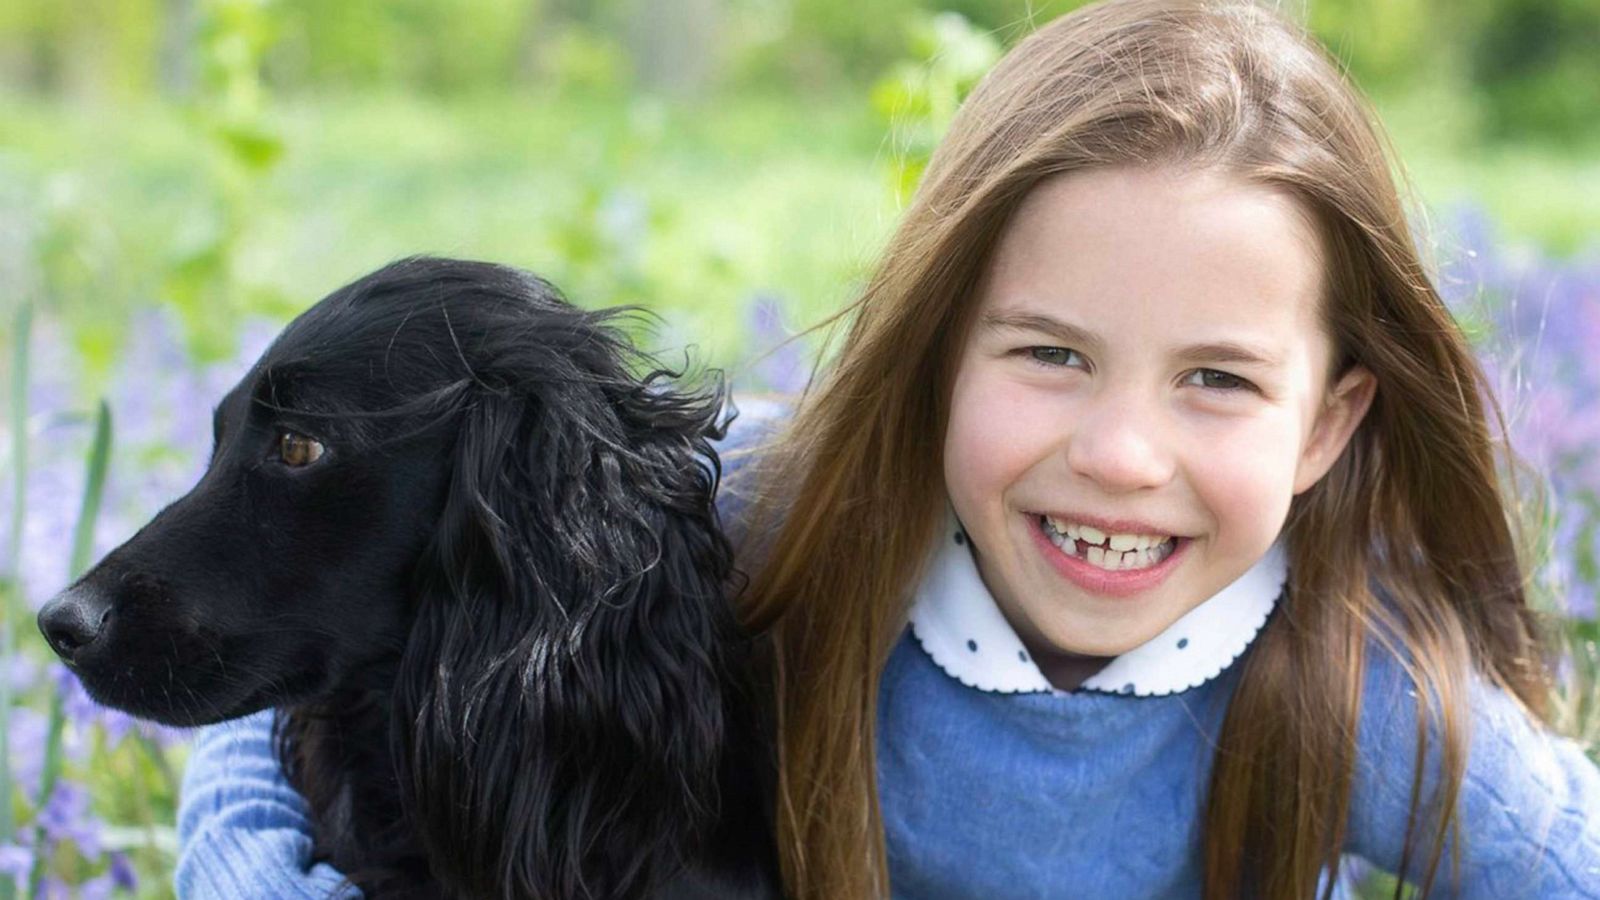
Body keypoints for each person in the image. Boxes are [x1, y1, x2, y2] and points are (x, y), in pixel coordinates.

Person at [175, 0, 1600, 897]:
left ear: (1328, 423)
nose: (1118, 454)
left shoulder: (1361, 690)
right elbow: (312, 613)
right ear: (933, 354)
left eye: (1217, 381)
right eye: (1051, 354)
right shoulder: (755, 510)